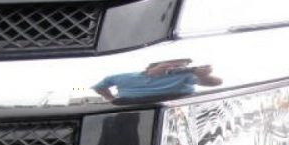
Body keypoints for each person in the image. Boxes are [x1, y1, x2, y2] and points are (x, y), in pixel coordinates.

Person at [91, 59, 221, 103]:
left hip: (174, 106)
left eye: (180, 65)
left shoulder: (184, 76)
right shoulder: (123, 77)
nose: (174, 68)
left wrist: (196, 72)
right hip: (132, 107)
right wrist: (112, 99)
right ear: (152, 66)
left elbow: (216, 82)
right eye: (170, 64)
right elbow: (98, 87)